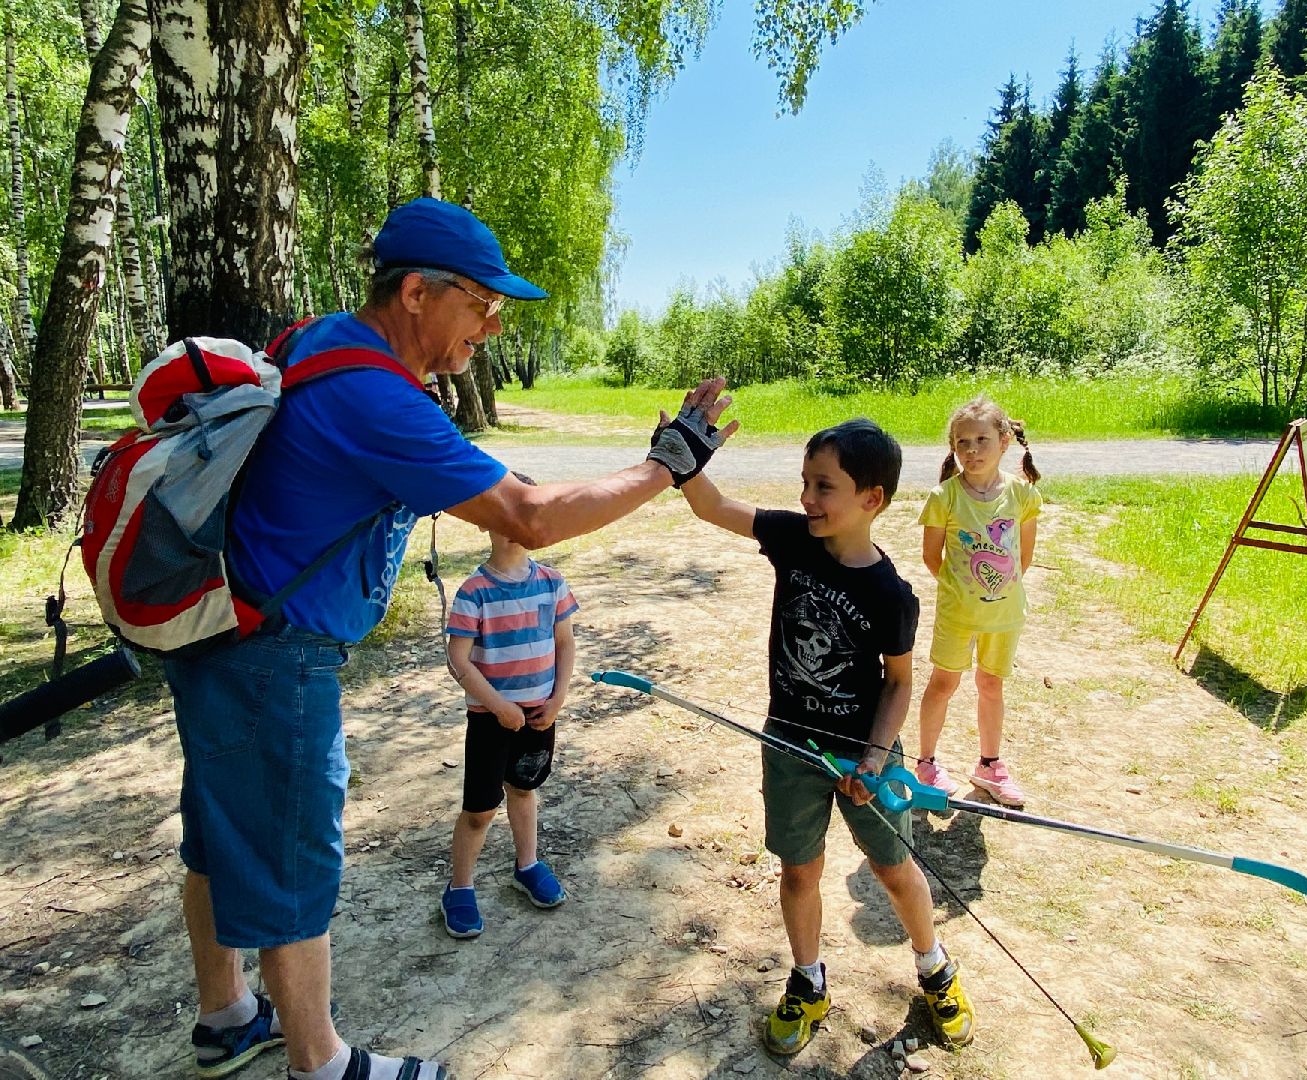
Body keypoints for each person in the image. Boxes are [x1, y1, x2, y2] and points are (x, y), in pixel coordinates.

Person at [165, 197, 736, 1080]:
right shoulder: (373, 395)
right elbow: (528, 516)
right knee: (287, 847)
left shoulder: (318, 341)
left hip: (222, 631)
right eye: (483, 302)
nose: (492, 325)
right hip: (274, 654)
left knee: (221, 829)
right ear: (420, 293)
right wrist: (665, 465)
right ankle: (319, 1062)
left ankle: (227, 1015)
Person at [676, 417, 974, 1056]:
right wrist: (683, 453)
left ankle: (934, 968)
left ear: (872, 499)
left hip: (866, 754)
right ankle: (809, 981)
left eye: (824, 486)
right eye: (805, 482)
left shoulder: (892, 594)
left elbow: (898, 683)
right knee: (798, 872)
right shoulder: (791, 537)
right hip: (789, 744)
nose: (808, 498)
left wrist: (872, 761)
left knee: (895, 871)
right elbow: (711, 506)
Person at [439, 472, 576, 937]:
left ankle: (528, 864)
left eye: (528, 515)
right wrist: (497, 705)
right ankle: (459, 887)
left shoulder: (552, 583)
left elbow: (564, 643)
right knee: (479, 810)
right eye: (505, 515)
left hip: (540, 715)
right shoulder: (474, 592)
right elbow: (459, 658)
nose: (515, 525)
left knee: (523, 788)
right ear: (485, 522)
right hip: (490, 719)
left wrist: (557, 698)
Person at [914, 396, 1042, 808]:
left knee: (991, 684)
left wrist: (995, 594)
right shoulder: (944, 497)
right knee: (943, 683)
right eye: (962, 442)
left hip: (1004, 615)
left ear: (1004, 441)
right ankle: (926, 765)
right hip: (958, 615)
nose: (971, 451)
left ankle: (989, 765)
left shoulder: (1023, 496)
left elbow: (1024, 557)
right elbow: (932, 557)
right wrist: (961, 592)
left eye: (981, 440)